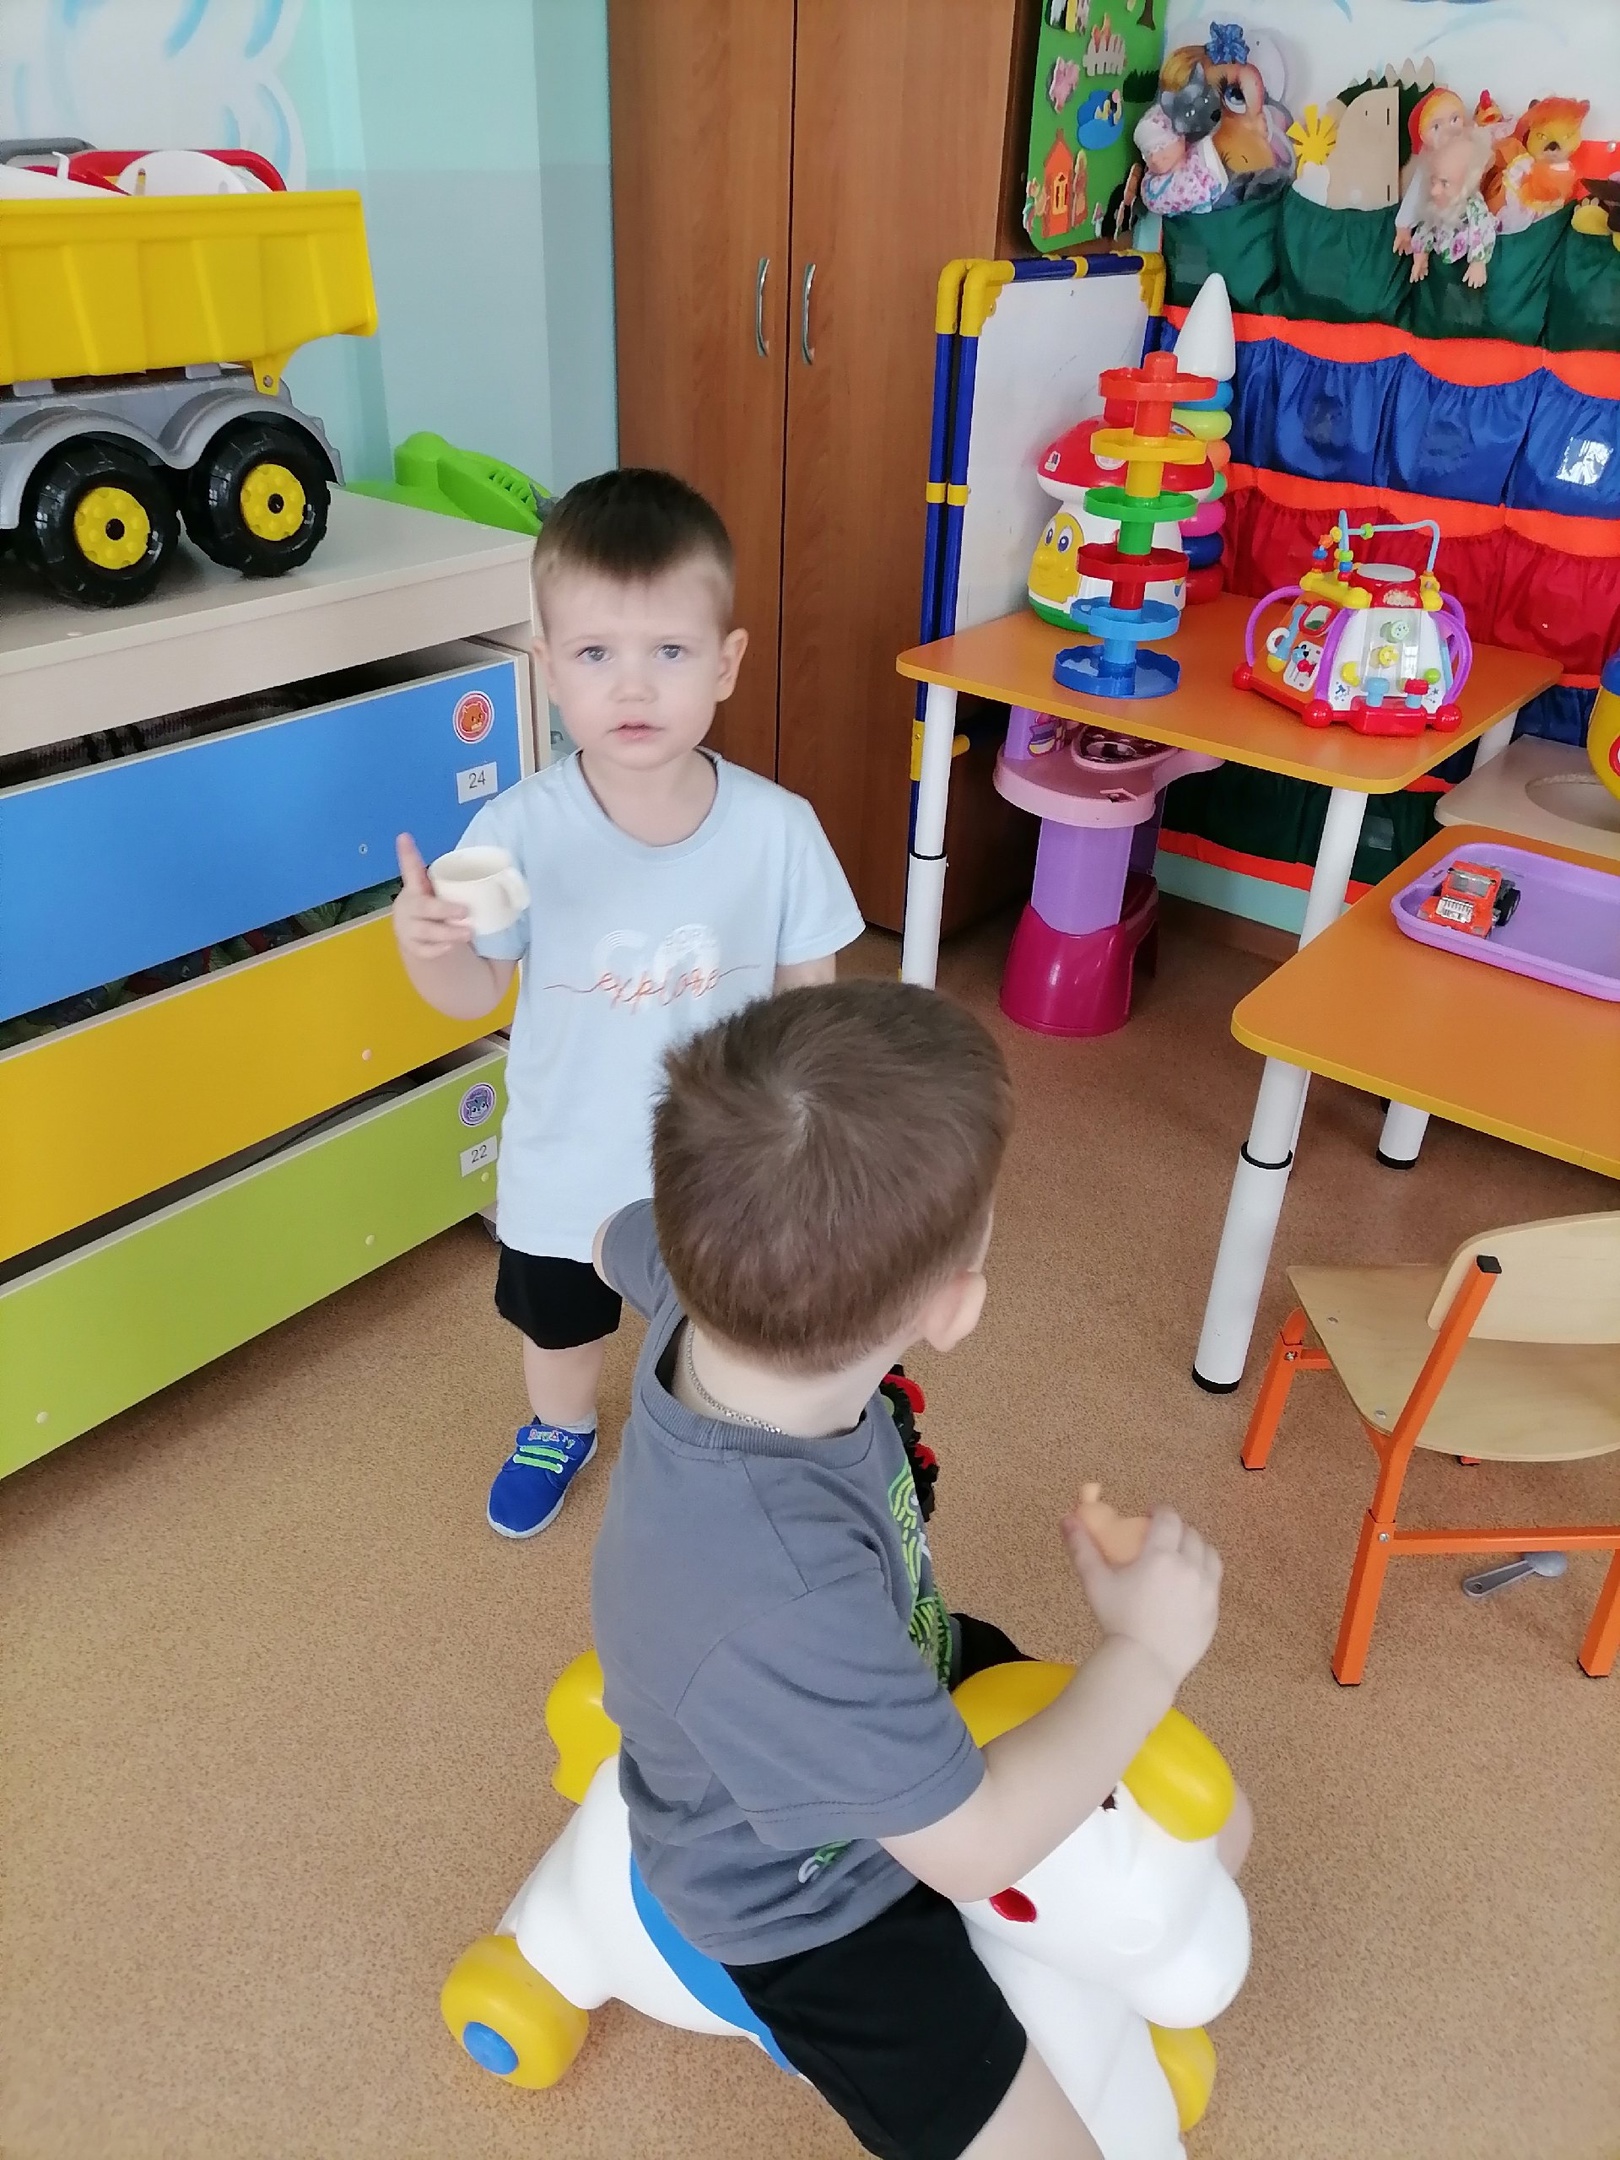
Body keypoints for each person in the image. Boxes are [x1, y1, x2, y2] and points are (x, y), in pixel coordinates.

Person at [590, 981, 1249, 2160]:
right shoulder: (779, 1595)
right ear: (955, 1306)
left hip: (899, 1656)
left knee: (1211, 1830)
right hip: (803, 1891)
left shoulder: (703, 1276)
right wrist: (1146, 1654)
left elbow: (611, 1238)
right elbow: (975, 1843)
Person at [391, 470, 864, 1537]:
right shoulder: (511, 833)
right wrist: (429, 949)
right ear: (549, 668)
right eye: (597, 654)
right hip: (564, 1162)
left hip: (718, 1168)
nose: (635, 686)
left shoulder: (779, 831)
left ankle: (717, 1450)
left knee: (723, 1334)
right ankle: (560, 1427)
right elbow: (472, 994)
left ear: (726, 663)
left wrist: (809, 1152)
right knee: (559, 1329)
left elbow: (810, 1012)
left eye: (671, 652)